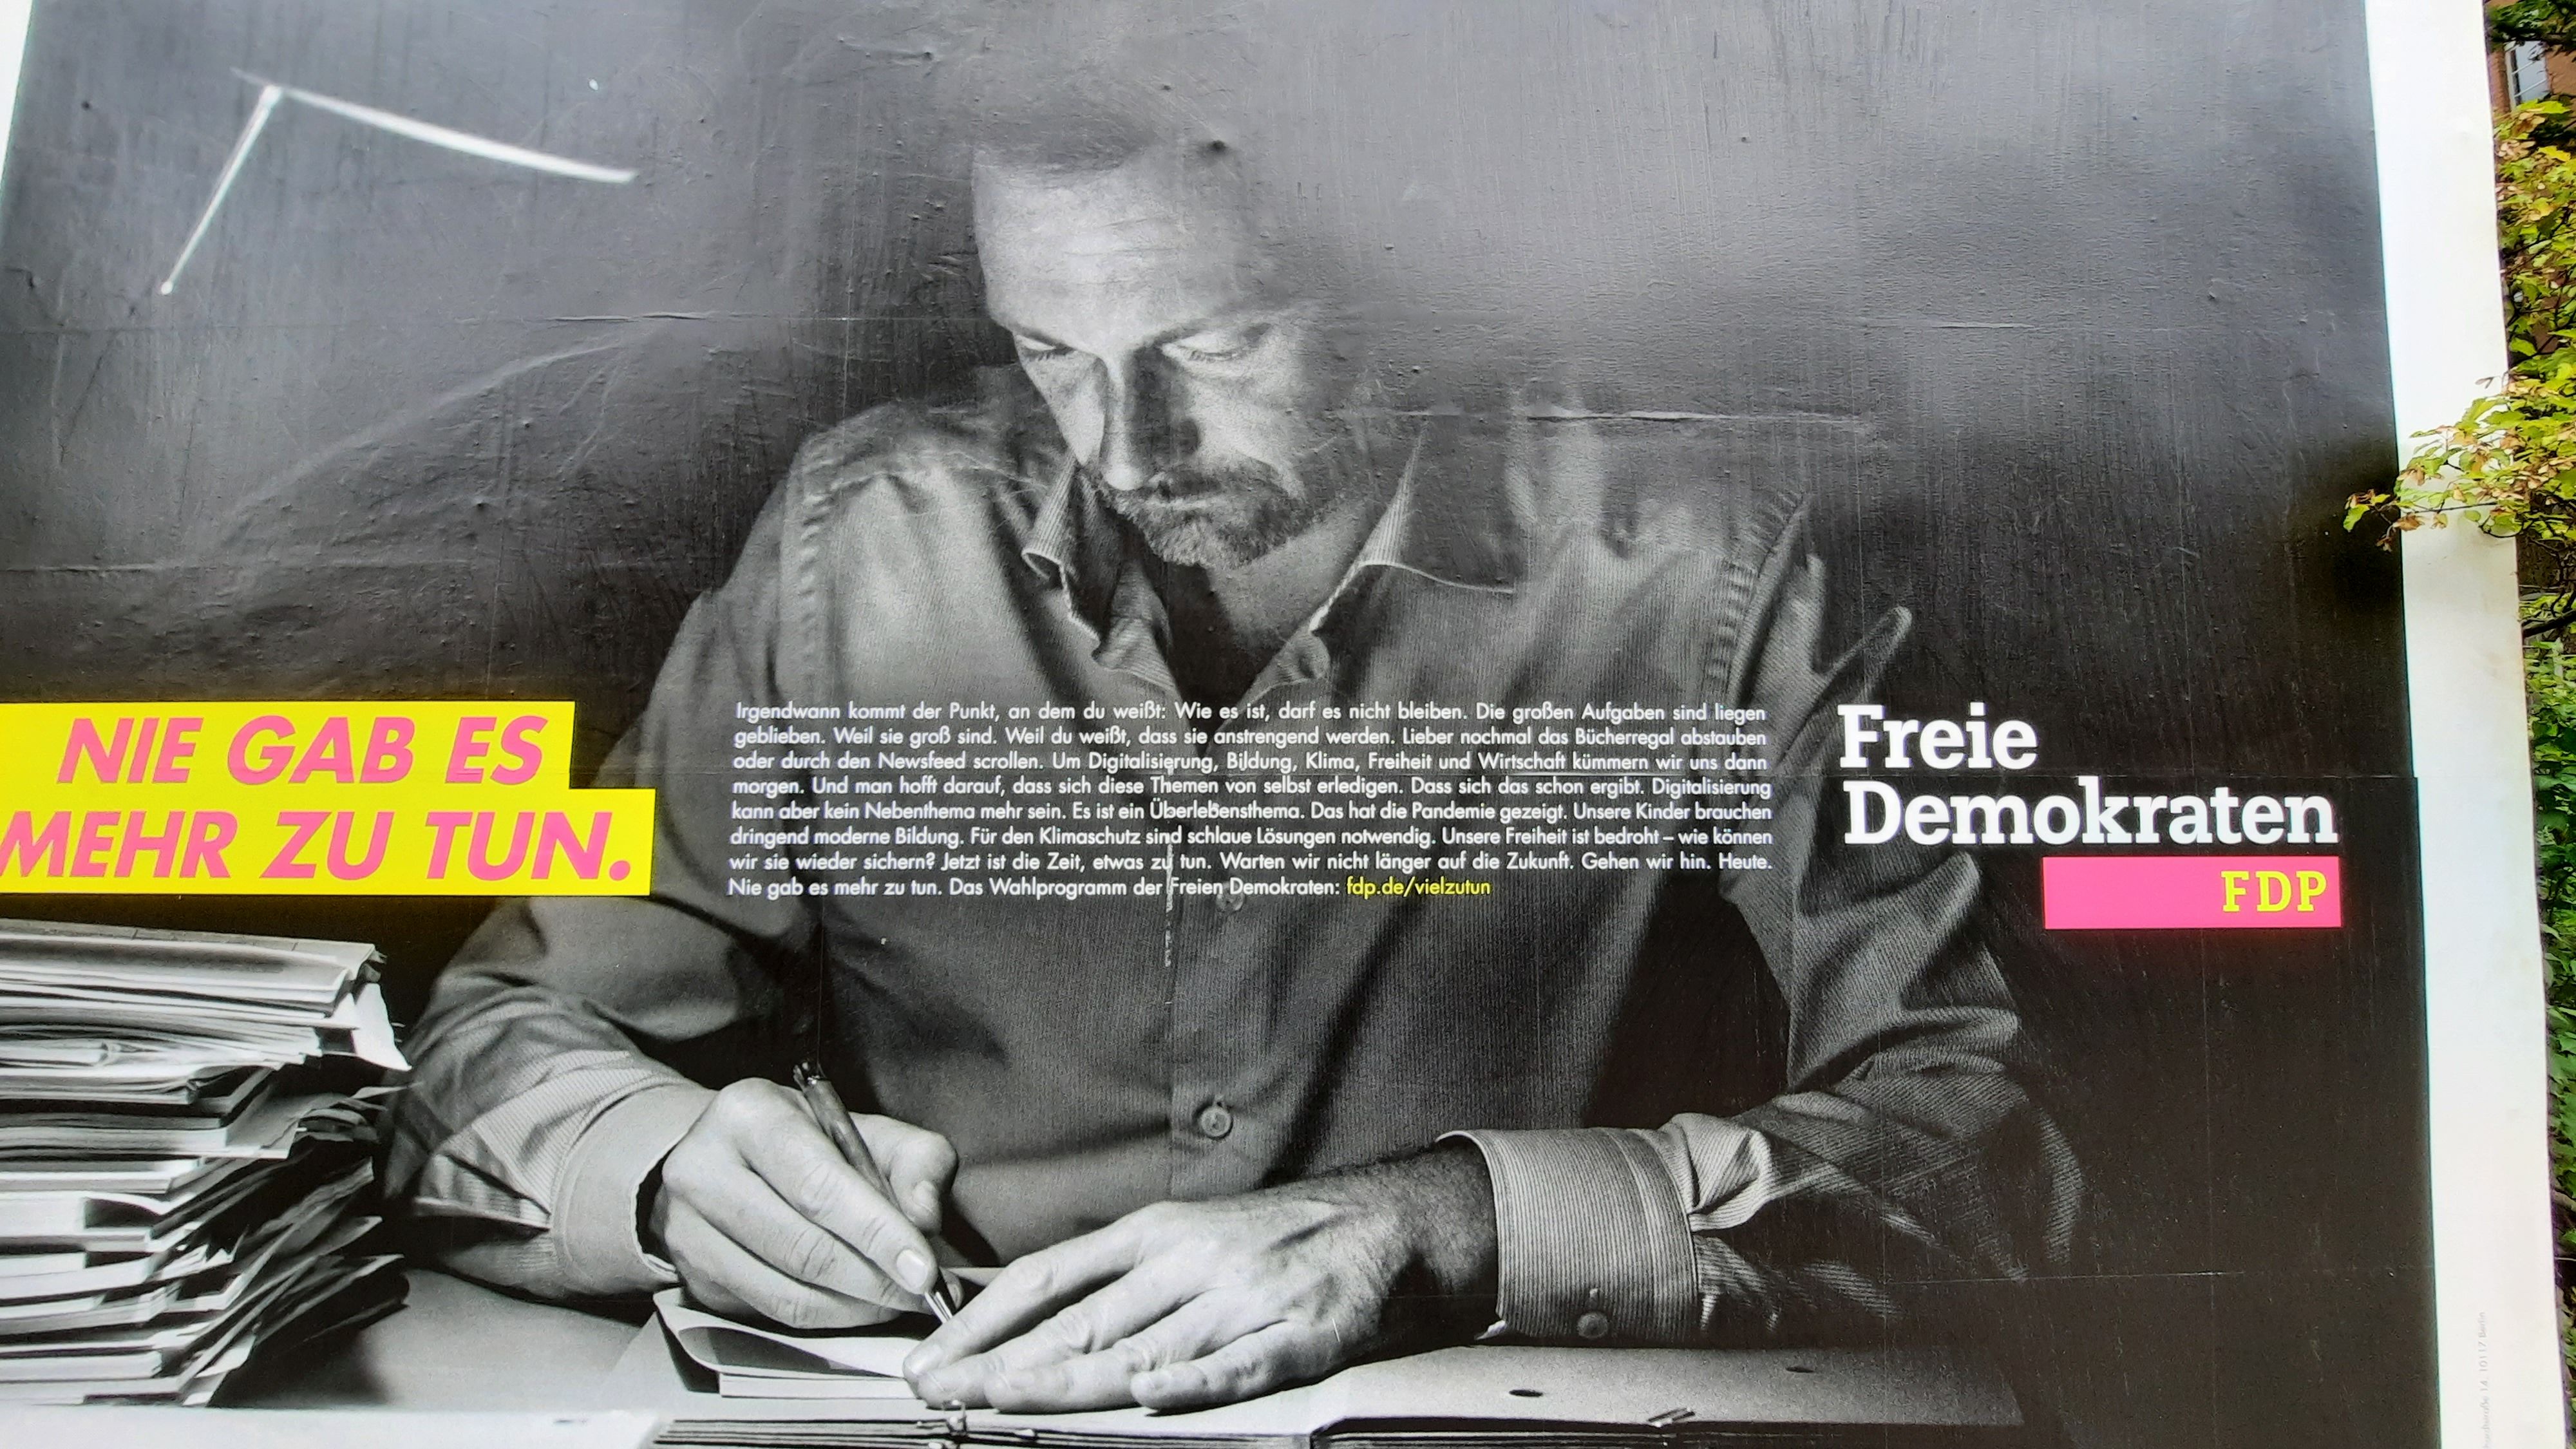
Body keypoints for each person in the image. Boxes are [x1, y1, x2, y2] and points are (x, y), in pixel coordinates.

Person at [386, 113, 2078, 1416]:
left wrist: (1452, 1228)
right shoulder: (861, 540)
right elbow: (492, 1036)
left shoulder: (1715, 570)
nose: (1124, 449)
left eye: (1215, 344)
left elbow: (2006, 1127)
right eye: (1052, 353)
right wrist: (668, 1172)